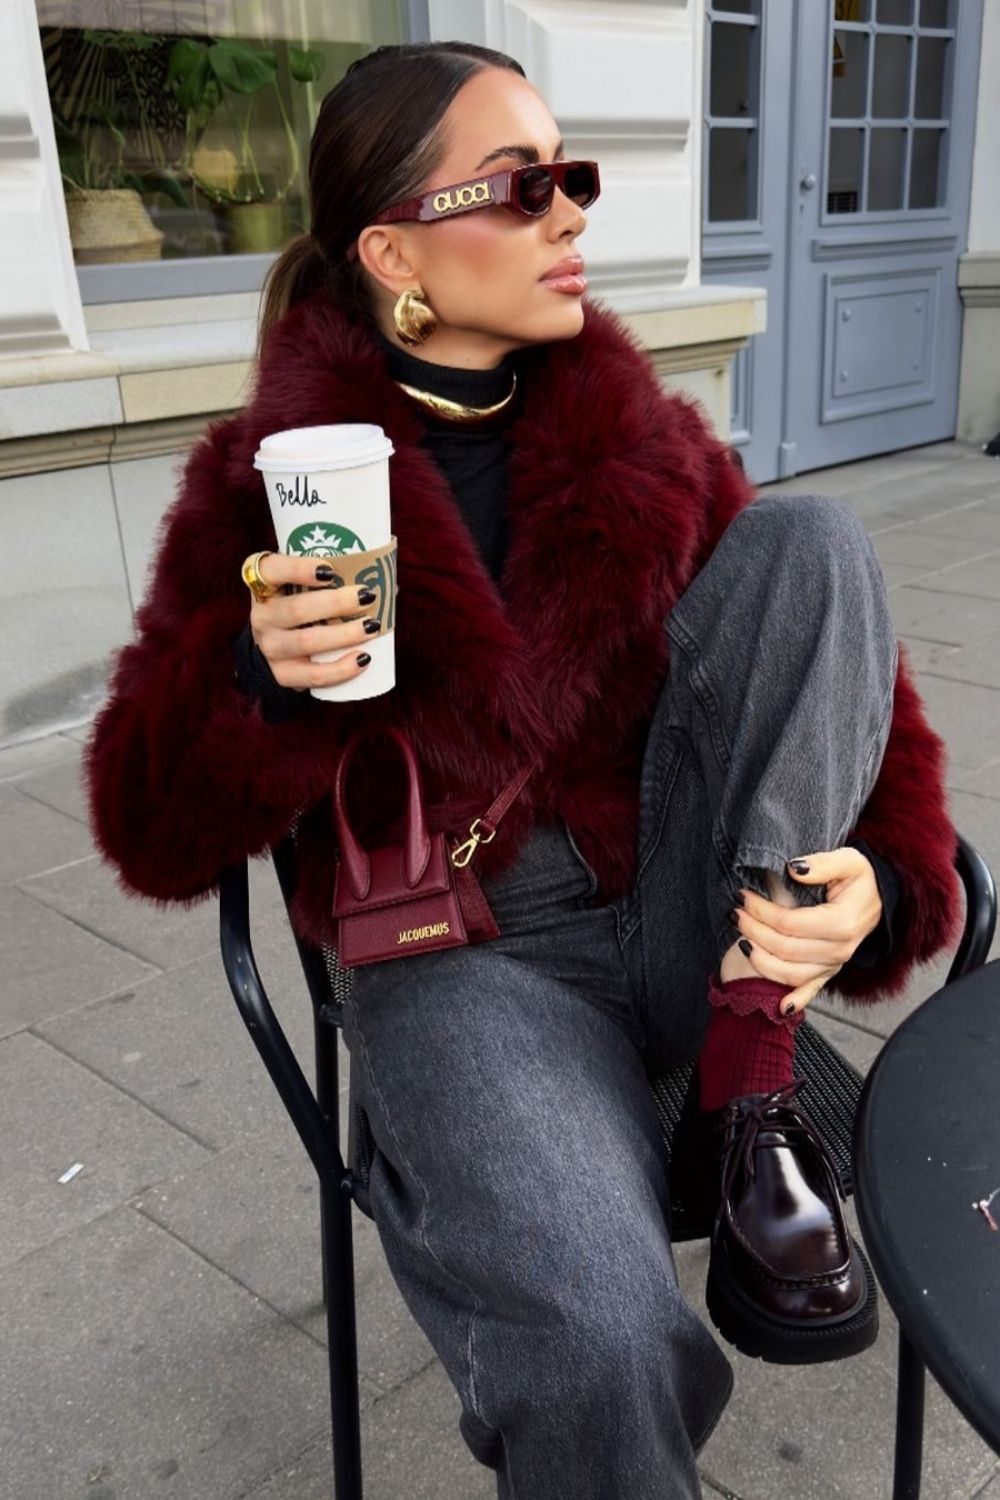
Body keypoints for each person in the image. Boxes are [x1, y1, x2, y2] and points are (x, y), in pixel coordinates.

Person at [85, 41, 962, 1499]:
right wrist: (253, 677)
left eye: (577, 176)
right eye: (524, 184)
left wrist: (873, 877)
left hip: (701, 905)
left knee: (817, 544)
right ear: (393, 250)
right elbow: (144, 817)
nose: (571, 214)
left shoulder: (655, 444)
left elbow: (838, 701)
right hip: (466, 954)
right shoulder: (266, 484)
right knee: (600, 1351)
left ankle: (752, 1080)